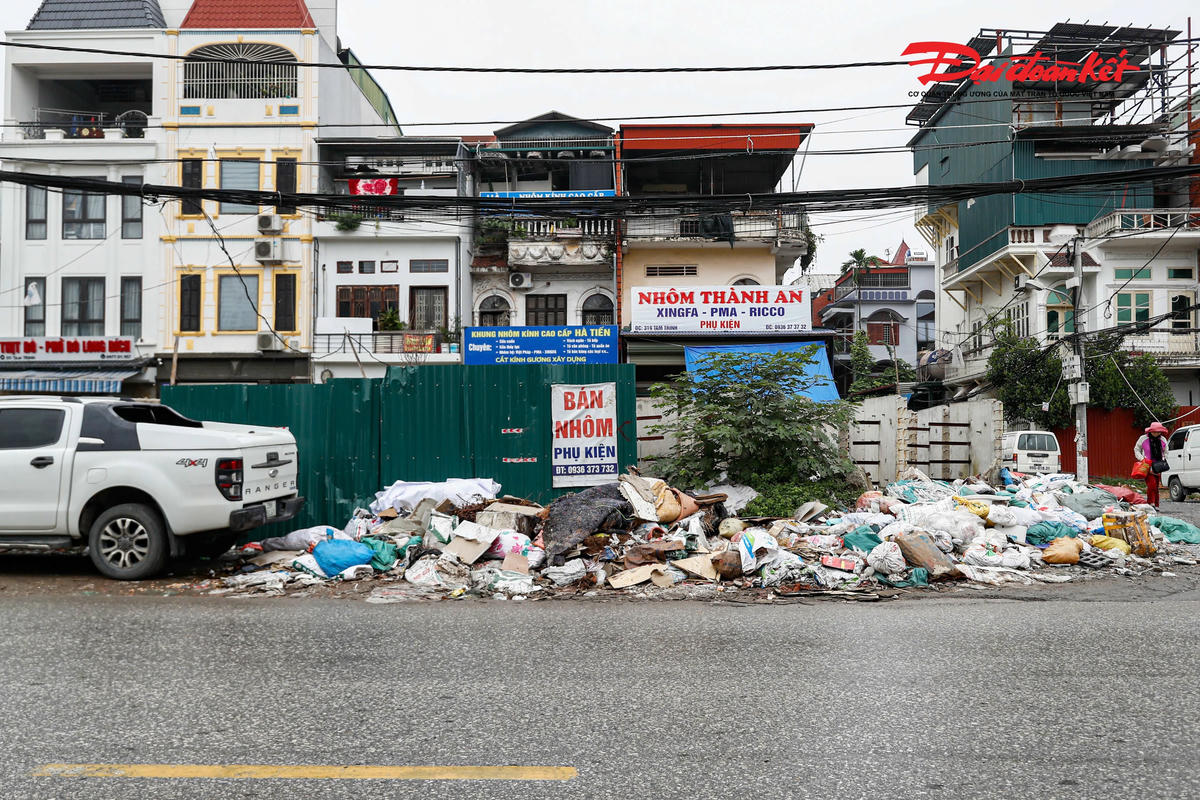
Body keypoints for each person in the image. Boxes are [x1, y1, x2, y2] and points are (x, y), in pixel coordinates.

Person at [1141, 421, 1169, 509]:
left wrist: (1164, 460)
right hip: (1147, 465)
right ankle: (1150, 503)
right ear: (1150, 431)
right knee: (1151, 485)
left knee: (1156, 486)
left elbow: (1166, 451)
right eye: (1155, 431)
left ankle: (1156, 504)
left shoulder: (1163, 440)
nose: (1156, 433)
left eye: (1158, 431)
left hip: (1158, 465)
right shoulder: (1143, 439)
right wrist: (1142, 459)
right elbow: (1136, 449)